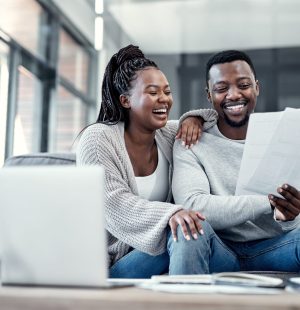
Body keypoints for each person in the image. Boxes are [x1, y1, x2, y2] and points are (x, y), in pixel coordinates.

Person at [76, 45, 217, 278]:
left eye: (167, 92)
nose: (163, 99)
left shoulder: (169, 135)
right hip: (115, 264)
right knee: (186, 228)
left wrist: (194, 119)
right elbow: (114, 205)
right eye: (152, 92)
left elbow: (215, 120)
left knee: (191, 230)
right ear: (125, 100)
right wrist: (171, 213)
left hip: (163, 252)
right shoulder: (98, 138)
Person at [170, 50, 300, 274]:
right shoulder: (191, 141)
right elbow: (194, 206)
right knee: (188, 227)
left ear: (256, 87)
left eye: (243, 85)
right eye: (221, 89)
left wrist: (289, 217)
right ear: (209, 95)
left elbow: (292, 220)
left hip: (278, 246)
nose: (233, 95)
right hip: (220, 250)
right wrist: (267, 202)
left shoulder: (287, 134)